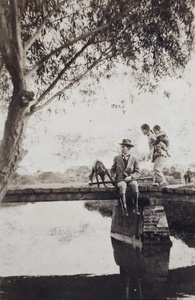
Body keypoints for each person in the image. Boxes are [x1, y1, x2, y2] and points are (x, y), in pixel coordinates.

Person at [110, 139, 140, 216]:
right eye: (121, 147)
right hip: (120, 180)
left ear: (128, 148)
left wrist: (130, 176)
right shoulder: (116, 158)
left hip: (130, 179)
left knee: (135, 184)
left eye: (124, 147)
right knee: (123, 186)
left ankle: (136, 208)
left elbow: (137, 172)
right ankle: (124, 210)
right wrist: (113, 177)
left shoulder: (134, 159)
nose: (122, 148)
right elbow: (112, 170)